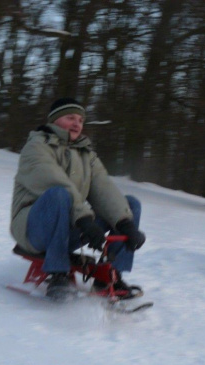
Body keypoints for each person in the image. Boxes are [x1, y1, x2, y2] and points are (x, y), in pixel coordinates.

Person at [10, 97, 146, 300]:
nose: (77, 124)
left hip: (70, 226)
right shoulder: (36, 147)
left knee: (130, 204)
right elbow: (52, 181)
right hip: (34, 228)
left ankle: (110, 276)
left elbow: (104, 190)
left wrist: (125, 223)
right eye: (70, 118)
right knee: (58, 194)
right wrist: (84, 220)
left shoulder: (86, 155)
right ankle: (58, 274)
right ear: (54, 120)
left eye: (80, 120)